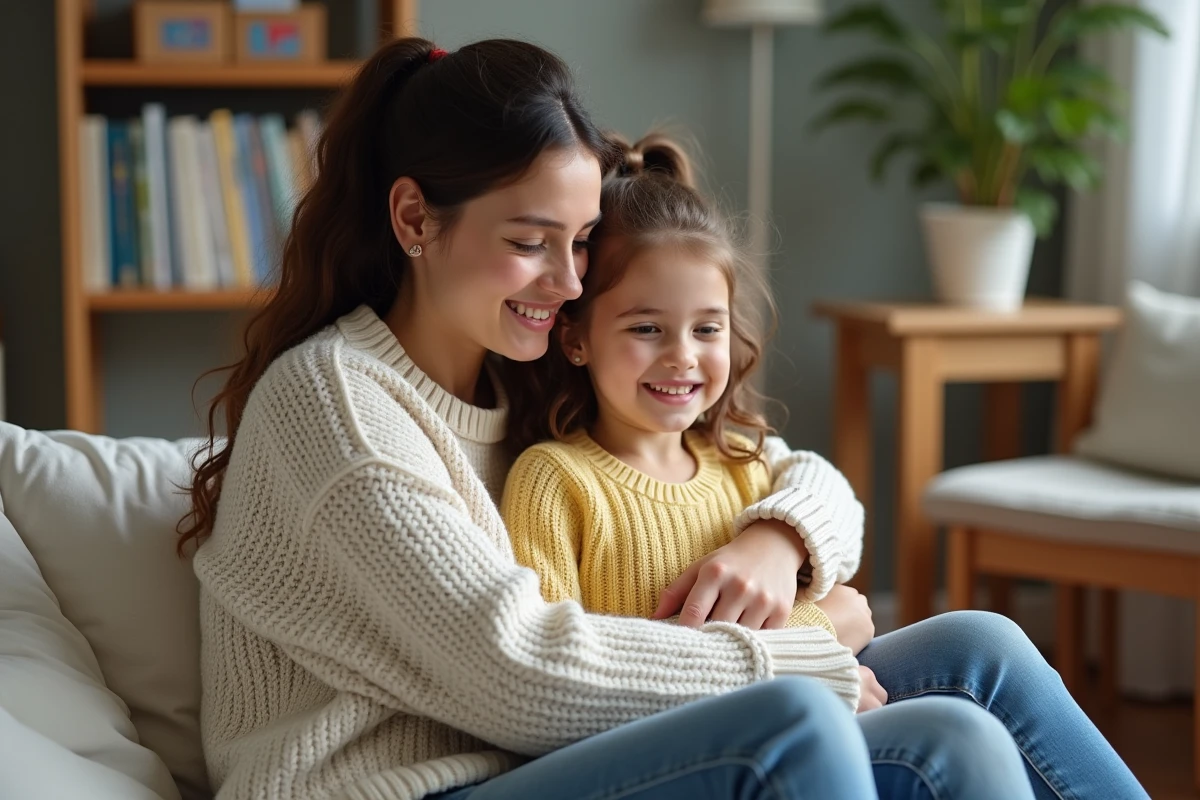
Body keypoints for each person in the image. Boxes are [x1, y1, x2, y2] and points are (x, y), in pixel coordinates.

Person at [183, 36, 1149, 800]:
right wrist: (804, 654)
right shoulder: (339, 405)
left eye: (580, 246)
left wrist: (778, 537)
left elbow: (795, 469)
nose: (567, 284)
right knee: (801, 724)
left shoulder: (519, 373)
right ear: (413, 221)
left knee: (975, 656)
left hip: (535, 763)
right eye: (530, 244)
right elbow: (515, 669)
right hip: (403, 790)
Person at [500, 134, 841, 641]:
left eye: (707, 329)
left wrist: (784, 546)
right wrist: (824, 628)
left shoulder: (745, 466)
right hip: (713, 712)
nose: (683, 357)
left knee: (980, 638)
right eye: (646, 329)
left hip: (809, 689)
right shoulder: (554, 482)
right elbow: (560, 660)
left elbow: (837, 518)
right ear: (576, 340)